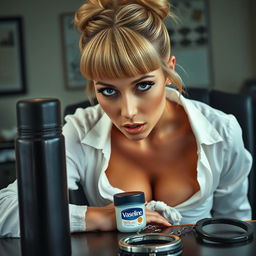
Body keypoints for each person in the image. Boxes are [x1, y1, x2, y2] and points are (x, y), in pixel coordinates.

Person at [0, 0, 252, 236]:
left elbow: (238, 229)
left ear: (168, 71)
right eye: (108, 91)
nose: (128, 111)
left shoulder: (222, 130)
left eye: (143, 86)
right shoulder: (79, 131)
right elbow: (6, 211)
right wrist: (98, 217)